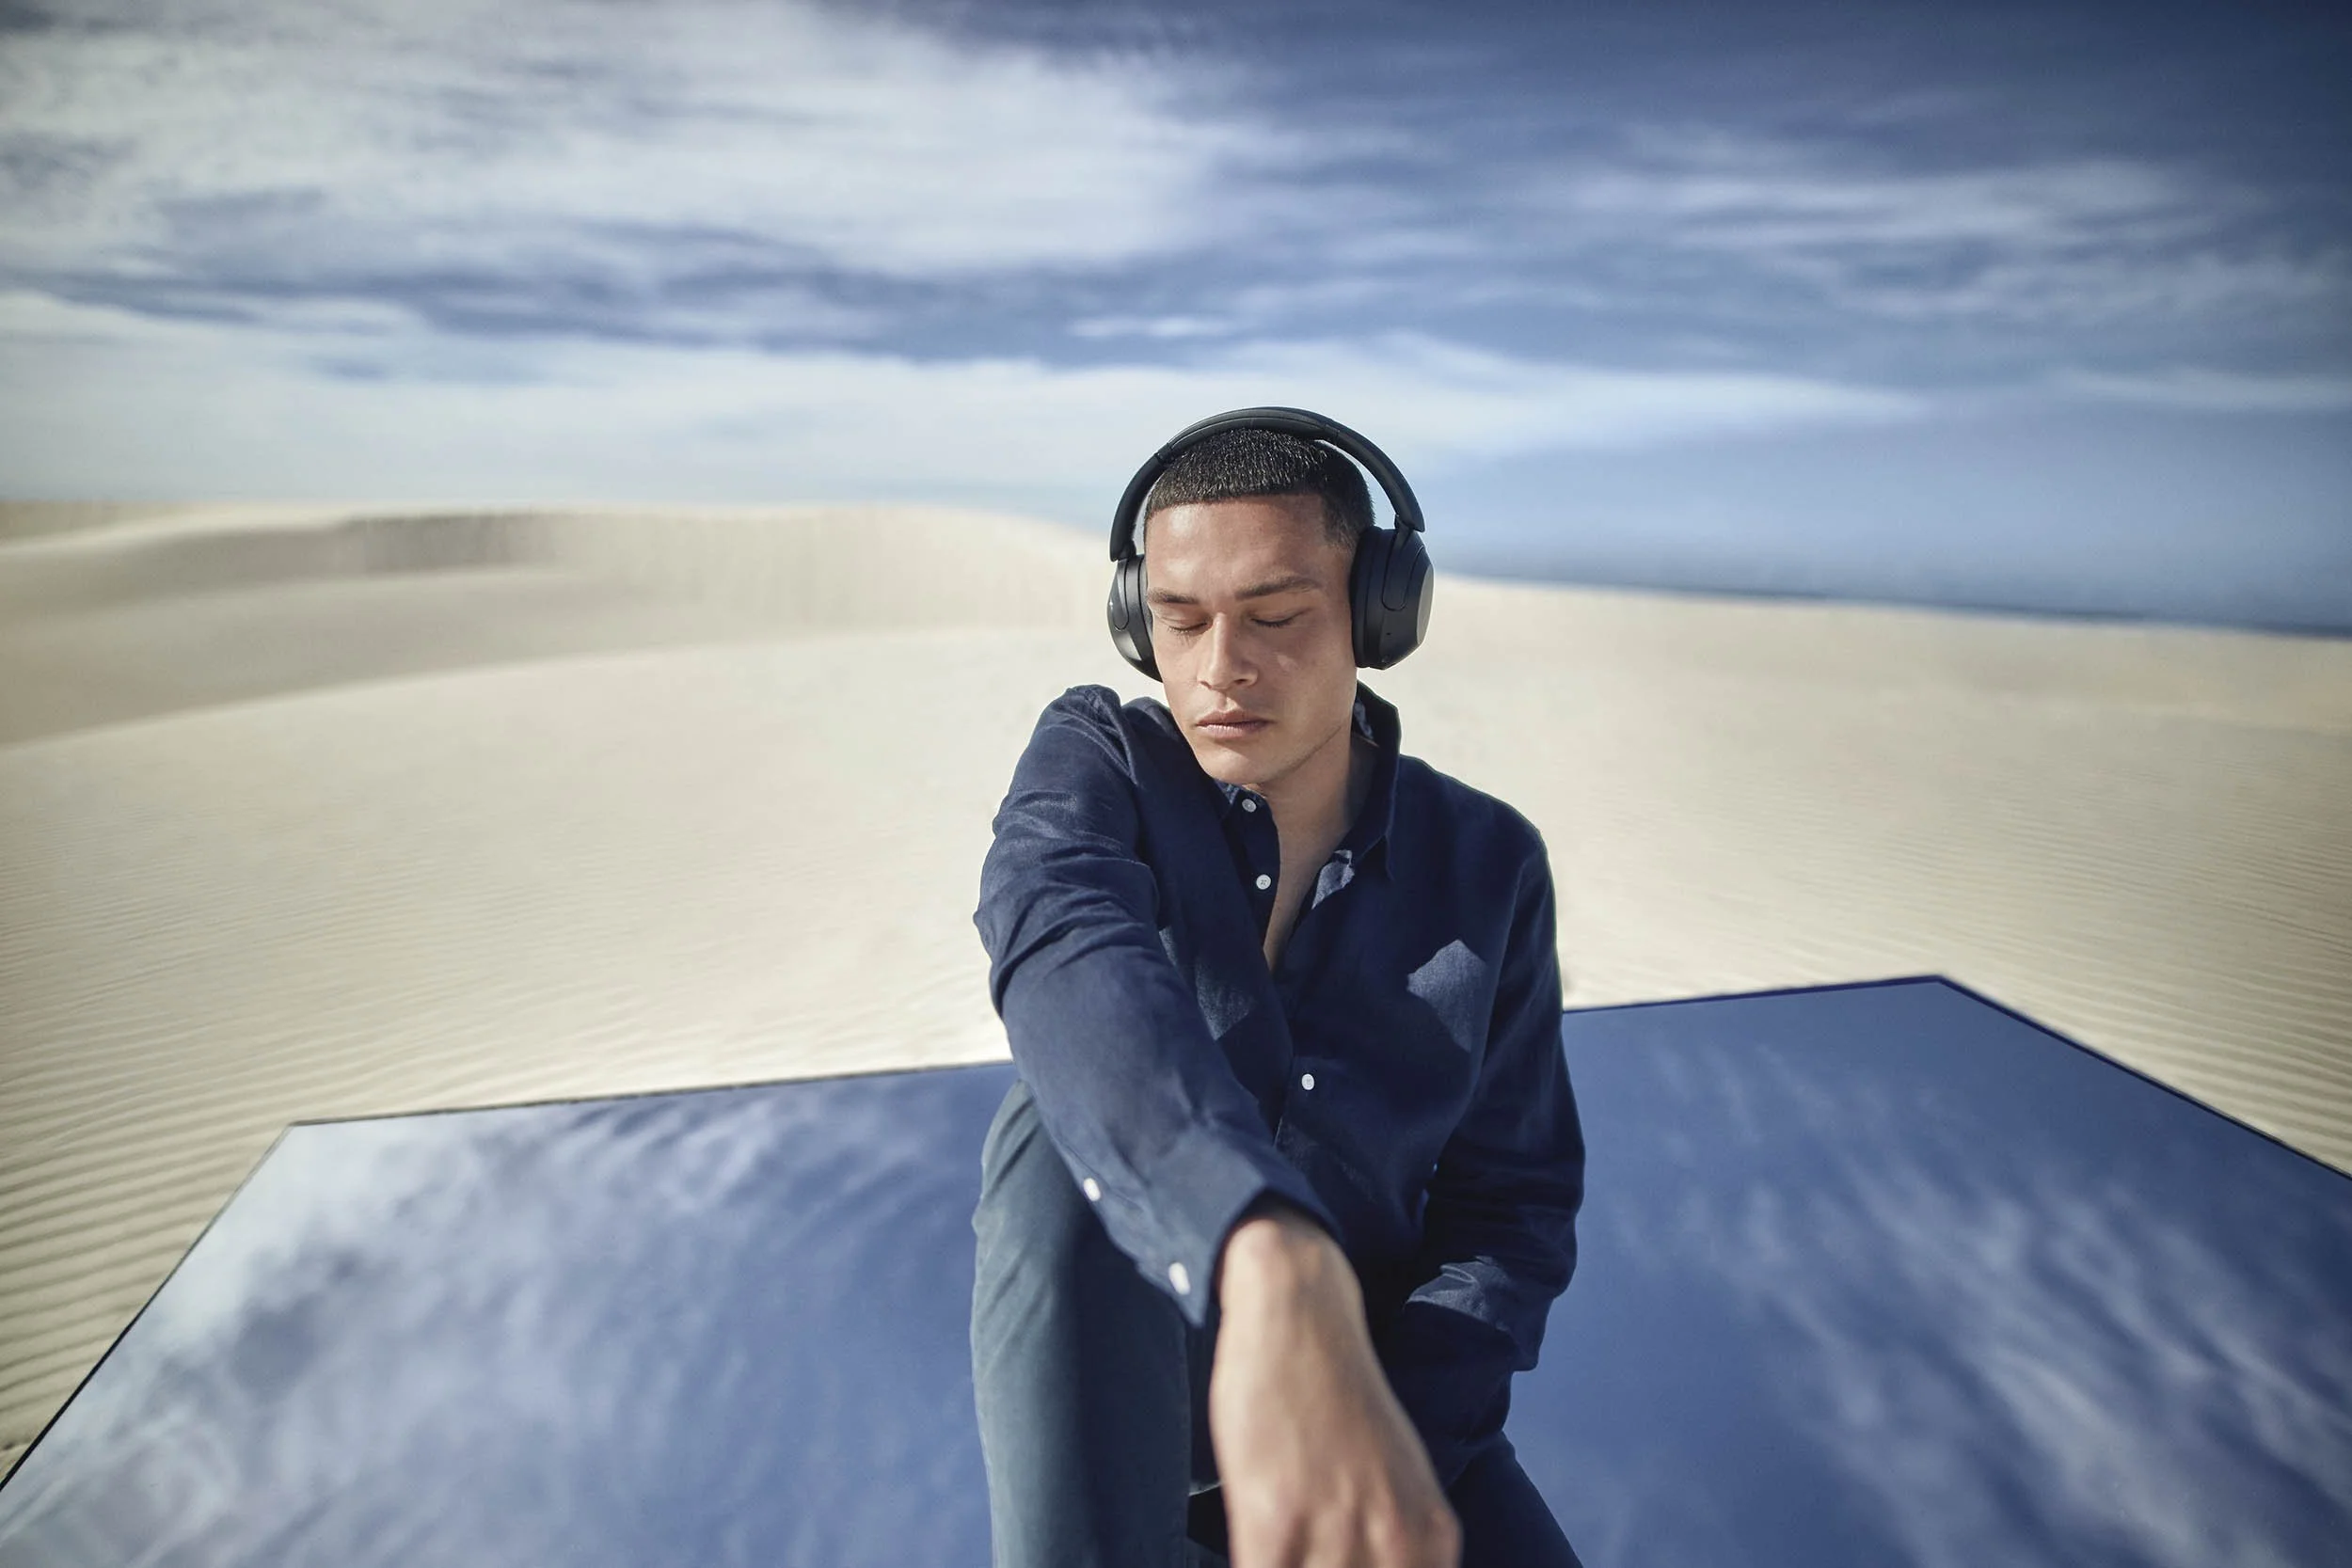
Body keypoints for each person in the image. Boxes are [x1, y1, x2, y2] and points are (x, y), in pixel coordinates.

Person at [970, 414, 1585, 1568]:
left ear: (1381, 615)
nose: (1219, 668)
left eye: (1276, 617)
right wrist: (1262, 1246)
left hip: (1374, 1411)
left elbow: (1509, 1204)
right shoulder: (1099, 757)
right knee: (1048, 1148)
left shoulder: (1489, 861)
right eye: (1179, 620)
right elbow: (1057, 930)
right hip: (1130, 1424)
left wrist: (1364, 1433)